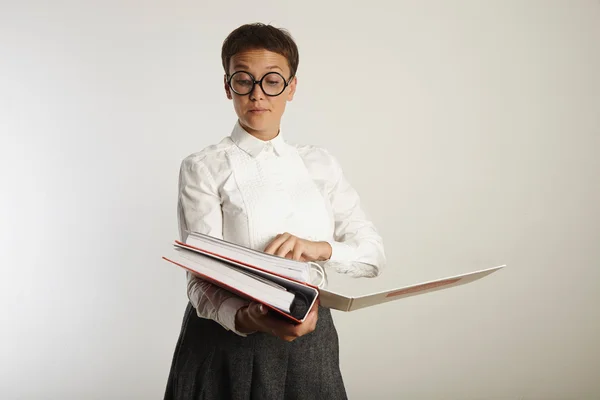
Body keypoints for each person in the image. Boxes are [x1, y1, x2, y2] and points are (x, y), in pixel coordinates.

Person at [164, 22, 386, 400]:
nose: (257, 94)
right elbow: (200, 280)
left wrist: (319, 248)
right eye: (243, 80)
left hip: (310, 342)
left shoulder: (320, 164)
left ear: (291, 87)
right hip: (225, 345)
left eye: (272, 81)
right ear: (227, 86)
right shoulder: (204, 166)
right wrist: (247, 318)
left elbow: (371, 255)